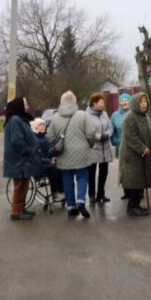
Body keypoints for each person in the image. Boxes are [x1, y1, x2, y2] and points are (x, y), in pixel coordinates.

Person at [45, 90, 96, 219]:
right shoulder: (83, 115)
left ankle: (71, 207)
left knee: (67, 179)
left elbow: (49, 137)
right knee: (82, 177)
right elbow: (91, 134)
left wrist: (56, 146)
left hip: (63, 154)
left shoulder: (55, 117)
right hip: (82, 152)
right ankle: (81, 201)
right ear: (75, 101)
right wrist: (90, 145)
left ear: (61, 102)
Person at [3, 97, 41, 221]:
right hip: (19, 160)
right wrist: (30, 151)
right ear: (19, 106)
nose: (27, 106)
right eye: (25, 104)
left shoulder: (18, 119)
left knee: (24, 184)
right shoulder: (15, 120)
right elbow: (17, 142)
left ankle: (21, 209)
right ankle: (16, 212)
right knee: (20, 186)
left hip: (21, 160)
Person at [119, 92, 151, 217]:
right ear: (135, 103)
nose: (144, 104)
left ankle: (136, 204)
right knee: (134, 181)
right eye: (141, 102)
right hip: (132, 155)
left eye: (145, 101)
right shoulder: (130, 117)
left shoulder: (145, 116)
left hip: (143, 154)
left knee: (140, 180)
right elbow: (130, 136)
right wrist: (142, 148)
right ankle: (132, 207)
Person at [86, 93, 114, 205]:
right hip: (93, 147)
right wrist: (99, 137)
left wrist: (107, 135)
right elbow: (88, 131)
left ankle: (101, 194)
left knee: (104, 172)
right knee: (91, 173)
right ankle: (92, 194)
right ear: (94, 103)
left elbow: (110, 127)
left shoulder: (105, 114)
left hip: (105, 147)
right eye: (101, 102)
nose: (103, 104)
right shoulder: (87, 116)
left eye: (103, 102)